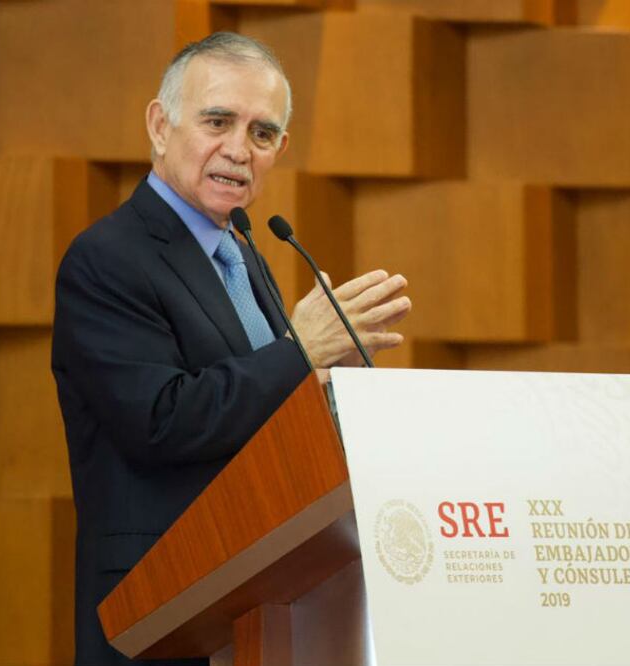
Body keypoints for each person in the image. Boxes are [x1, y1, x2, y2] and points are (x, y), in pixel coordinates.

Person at [52, 32, 410, 666]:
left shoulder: (243, 253)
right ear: (160, 126)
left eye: (262, 133)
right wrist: (301, 351)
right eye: (218, 121)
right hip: (161, 616)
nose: (239, 150)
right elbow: (159, 422)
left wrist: (326, 389)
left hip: (264, 601)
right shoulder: (107, 258)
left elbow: (256, 409)